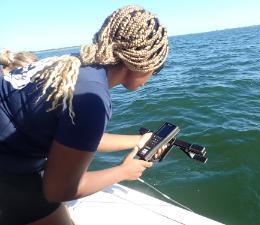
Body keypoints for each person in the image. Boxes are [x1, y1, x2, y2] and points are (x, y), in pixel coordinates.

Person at [0, 5, 168, 225]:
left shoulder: (71, 66)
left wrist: (138, 141)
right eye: (157, 68)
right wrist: (123, 171)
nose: (153, 75)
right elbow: (58, 191)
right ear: (140, 63)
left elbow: (71, 138)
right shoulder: (92, 99)